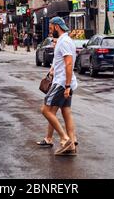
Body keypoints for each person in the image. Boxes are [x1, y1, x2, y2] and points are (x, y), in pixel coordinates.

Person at [40, 17, 78, 155]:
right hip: (64, 81)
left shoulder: (64, 42)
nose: (50, 32)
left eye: (51, 28)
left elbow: (69, 63)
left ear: (56, 27)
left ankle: (65, 139)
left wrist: (67, 86)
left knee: (46, 110)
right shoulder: (65, 41)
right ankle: (72, 143)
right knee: (66, 111)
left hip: (62, 82)